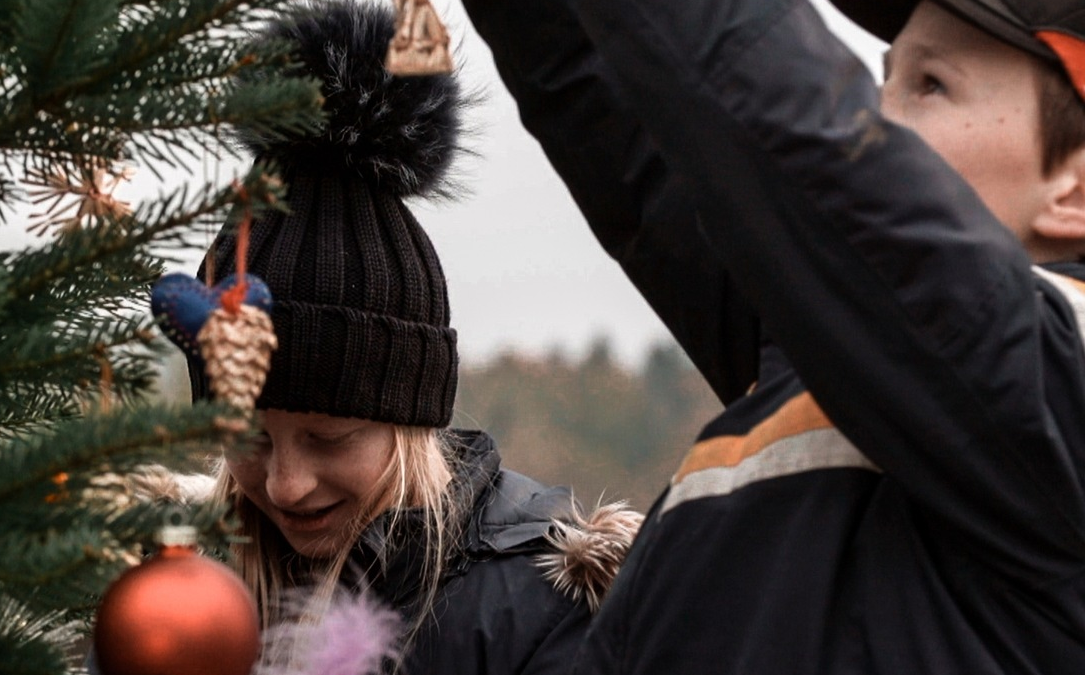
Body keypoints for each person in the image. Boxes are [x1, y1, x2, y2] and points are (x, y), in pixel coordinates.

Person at [457, 0, 1085, 672]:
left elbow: (785, 118)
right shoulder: (822, 360)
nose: (876, 116)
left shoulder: (1051, 383)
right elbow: (617, 105)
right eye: (880, 82)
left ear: (1073, 189)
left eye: (932, 84)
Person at [190, 2, 643, 674]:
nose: (285, 485)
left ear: (411, 415)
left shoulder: (542, 608)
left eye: (329, 436)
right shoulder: (174, 594)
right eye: (249, 437)